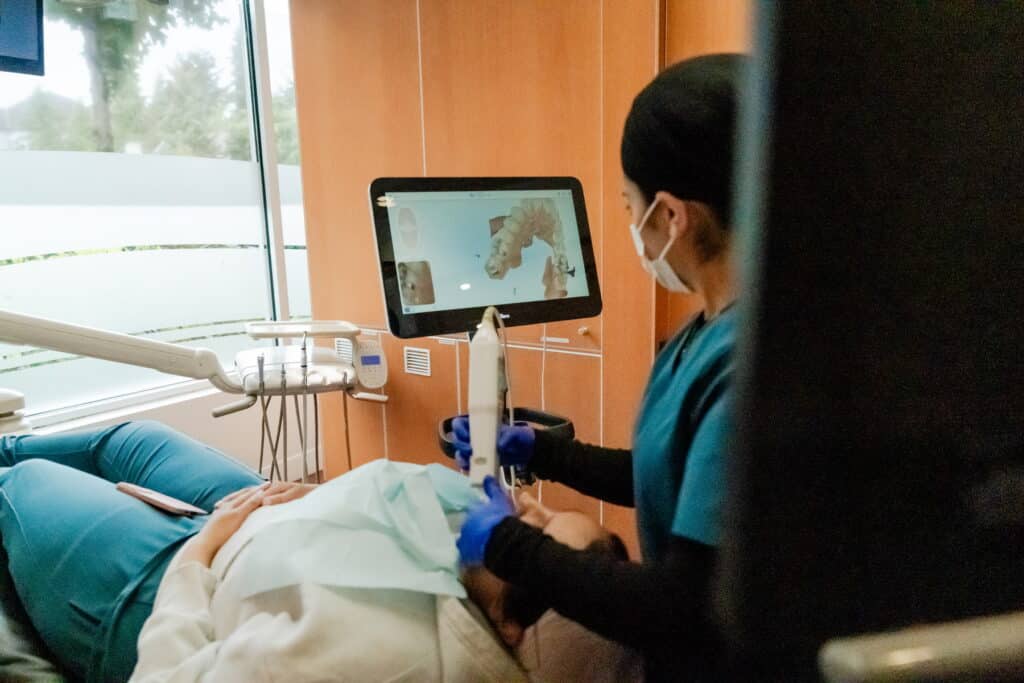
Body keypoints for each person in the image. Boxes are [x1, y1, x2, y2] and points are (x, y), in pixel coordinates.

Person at [453, 53, 747, 682]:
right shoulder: (700, 335)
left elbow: (683, 609)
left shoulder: (752, 367)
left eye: (627, 204)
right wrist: (542, 453)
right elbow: (668, 474)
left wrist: (509, 543)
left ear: (670, 216)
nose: (630, 225)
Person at [0, 421, 631, 682]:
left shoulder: (387, 660)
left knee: (19, 484)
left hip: (175, 584)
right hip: (268, 514)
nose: (524, 507)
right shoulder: (476, 574)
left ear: (509, 628)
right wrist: (328, 499)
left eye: (531, 533)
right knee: (131, 437)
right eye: (546, 509)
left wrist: (196, 558)